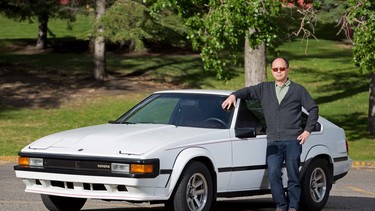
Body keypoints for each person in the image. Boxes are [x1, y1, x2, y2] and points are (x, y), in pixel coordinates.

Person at [221, 57, 319, 211]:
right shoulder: (264, 89)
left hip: (293, 140)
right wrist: (234, 95)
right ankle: (281, 205)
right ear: (271, 71)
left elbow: (313, 109)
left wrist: (307, 130)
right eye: (275, 69)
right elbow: (247, 91)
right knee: (273, 174)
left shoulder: (298, 90)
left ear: (287, 70)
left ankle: (293, 206)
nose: (278, 72)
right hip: (273, 141)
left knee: (293, 176)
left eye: (282, 69)